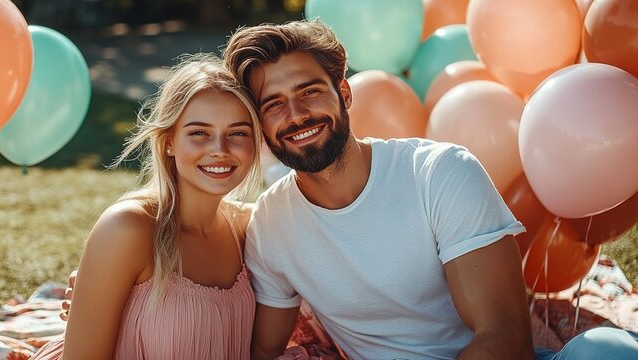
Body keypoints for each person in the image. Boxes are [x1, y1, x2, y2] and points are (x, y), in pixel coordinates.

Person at [221, 20, 638, 359]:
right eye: (273, 104)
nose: (296, 114)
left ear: (344, 94)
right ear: (261, 125)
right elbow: (263, 350)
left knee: (605, 351)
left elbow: (505, 340)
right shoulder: (272, 225)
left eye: (309, 91)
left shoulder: (440, 173)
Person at [31, 54, 263, 359]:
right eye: (199, 133)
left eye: (237, 133)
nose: (219, 150)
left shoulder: (248, 228)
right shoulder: (128, 228)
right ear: (169, 141)